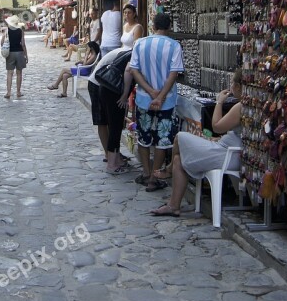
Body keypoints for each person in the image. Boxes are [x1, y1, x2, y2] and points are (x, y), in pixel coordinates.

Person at [150, 70, 243, 217]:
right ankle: (173, 206)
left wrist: (219, 102)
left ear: (237, 86)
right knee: (178, 160)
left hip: (227, 156)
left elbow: (216, 127)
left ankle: (167, 171)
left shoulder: (240, 107)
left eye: (232, 83)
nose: (230, 86)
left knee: (180, 137)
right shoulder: (243, 105)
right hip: (226, 151)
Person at [129, 13, 184, 192]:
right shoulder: (174, 46)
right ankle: (154, 177)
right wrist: (160, 96)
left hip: (144, 98)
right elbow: (173, 74)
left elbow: (134, 70)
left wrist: (150, 91)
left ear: (153, 25)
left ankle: (146, 172)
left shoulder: (140, 43)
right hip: (166, 102)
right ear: (169, 26)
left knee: (143, 137)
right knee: (163, 139)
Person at [86, 45, 134, 173]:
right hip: (101, 84)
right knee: (105, 122)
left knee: (114, 125)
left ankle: (114, 157)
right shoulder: (131, 53)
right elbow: (128, 71)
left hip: (107, 85)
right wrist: (124, 96)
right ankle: (111, 159)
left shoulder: (127, 51)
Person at [2, 15, 27, 98]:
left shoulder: (7, 31)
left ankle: (8, 92)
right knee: (19, 73)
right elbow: (23, 44)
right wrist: (25, 55)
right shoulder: (20, 30)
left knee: (9, 73)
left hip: (10, 53)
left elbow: (2, 42)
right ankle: (18, 92)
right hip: (19, 52)